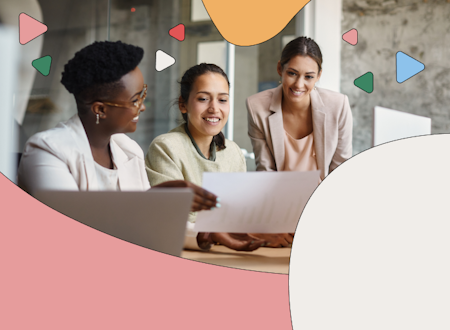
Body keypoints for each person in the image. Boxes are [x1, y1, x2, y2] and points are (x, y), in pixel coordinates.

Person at [17, 41, 217, 213]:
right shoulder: (46, 150)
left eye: (143, 95)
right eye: (135, 100)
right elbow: (72, 224)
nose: (143, 107)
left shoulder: (128, 150)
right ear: (100, 109)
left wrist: (204, 234)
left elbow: (147, 226)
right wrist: (151, 201)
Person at [146, 63, 289, 251]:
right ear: (183, 104)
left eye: (222, 100)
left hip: (226, 252)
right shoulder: (166, 147)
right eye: (203, 99)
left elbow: (239, 216)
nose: (214, 108)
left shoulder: (233, 152)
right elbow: (171, 220)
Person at [246, 36, 353, 181]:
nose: (299, 84)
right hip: (278, 197)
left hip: (323, 197)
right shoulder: (257, 107)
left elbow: (341, 170)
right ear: (280, 69)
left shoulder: (338, 106)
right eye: (292, 73)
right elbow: (265, 171)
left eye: (308, 77)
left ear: (318, 76)